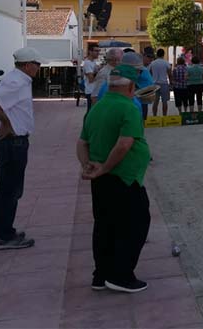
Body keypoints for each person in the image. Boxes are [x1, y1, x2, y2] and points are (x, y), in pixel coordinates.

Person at [77, 65, 151, 293]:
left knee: (104, 225)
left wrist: (88, 166)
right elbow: (124, 144)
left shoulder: (96, 108)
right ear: (130, 86)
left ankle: (101, 275)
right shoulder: (128, 108)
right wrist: (104, 168)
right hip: (124, 178)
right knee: (135, 224)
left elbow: (81, 143)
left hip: (102, 179)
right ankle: (121, 276)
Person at [0, 47, 44, 249]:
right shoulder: (16, 82)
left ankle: (0, 231)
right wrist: (6, 123)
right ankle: (4, 236)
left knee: (5, 188)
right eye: (37, 64)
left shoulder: (18, 80)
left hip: (13, 142)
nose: (39, 68)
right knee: (10, 190)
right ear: (27, 65)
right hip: (13, 143)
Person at [149, 49, 172, 116]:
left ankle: (154, 116)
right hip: (164, 83)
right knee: (164, 101)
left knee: (155, 101)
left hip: (155, 84)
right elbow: (169, 74)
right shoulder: (166, 63)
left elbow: (150, 73)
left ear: (157, 54)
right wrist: (171, 83)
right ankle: (164, 116)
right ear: (163, 54)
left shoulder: (153, 63)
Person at [83, 47, 99, 112]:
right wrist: (98, 73)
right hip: (91, 91)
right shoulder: (87, 63)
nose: (98, 53)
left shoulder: (94, 62)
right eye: (96, 51)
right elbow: (91, 79)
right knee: (90, 111)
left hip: (94, 90)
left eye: (98, 51)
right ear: (90, 51)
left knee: (93, 110)